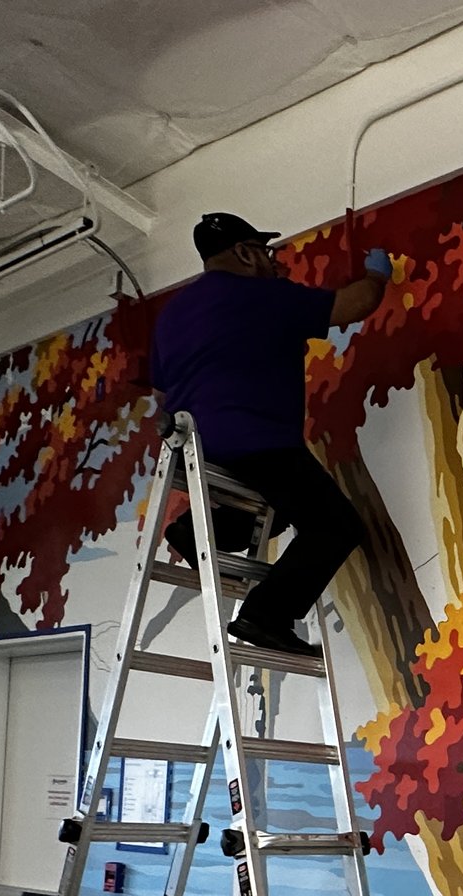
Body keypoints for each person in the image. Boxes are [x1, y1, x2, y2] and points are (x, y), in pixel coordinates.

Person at [148, 211, 392, 657]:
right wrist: (376, 275)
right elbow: (354, 305)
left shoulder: (172, 314)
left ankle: (196, 532)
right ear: (244, 252)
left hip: (193, 446)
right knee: (336, 526)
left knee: (274, 511)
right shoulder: (260, 295)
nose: (272, 262)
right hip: (255, 439)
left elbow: (162, 381)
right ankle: (267, 615)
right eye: (266, 253)